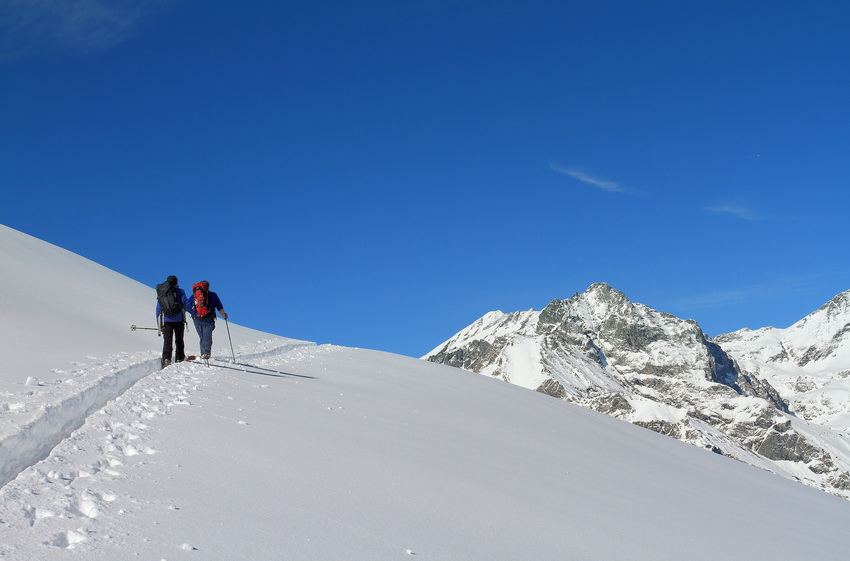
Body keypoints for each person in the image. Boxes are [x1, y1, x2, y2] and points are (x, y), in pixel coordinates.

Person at [155, 275, 190, 369]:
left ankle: (166, 359)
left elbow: (158, 309)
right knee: (179, 340)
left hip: (166, 320)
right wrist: (194, 313)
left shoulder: (163, 292)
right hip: (179, 320)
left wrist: (159, 325)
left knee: (167, 340)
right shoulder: (180, 291)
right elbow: (185, 304)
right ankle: (179, 358)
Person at [190, 280, 228, 360]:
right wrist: (224, 315)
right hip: (209, 318)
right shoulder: (213, 295)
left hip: (197, 319)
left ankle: (203, 353)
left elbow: (186, 305)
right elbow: (219, 307)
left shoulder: (195, 296)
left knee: (202, 337)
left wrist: (194, 313)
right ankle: (206, 354)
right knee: (207, 336)